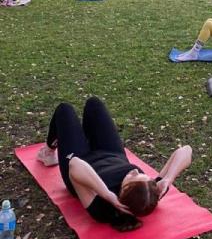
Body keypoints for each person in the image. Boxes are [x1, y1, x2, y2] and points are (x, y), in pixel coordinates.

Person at [36, 97, 192, 230]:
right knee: (94, 104)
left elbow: (75, 164)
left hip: (80, 159)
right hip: (111, 152)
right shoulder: (147, 194)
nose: (136, 172)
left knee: (65, 110)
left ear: (123, 192)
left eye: (133, 177)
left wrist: (106, 193)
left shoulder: (102, 208)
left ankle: (48, 152)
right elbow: (186, 151)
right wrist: (167, 179)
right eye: (143, 175)